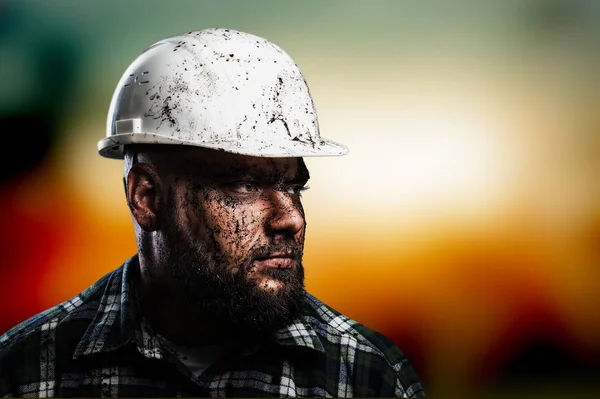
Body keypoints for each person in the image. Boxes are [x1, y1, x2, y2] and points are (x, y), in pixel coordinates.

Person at [0, 28, 424, 398]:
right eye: (244, 185)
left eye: (294, 186)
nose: (291, 218)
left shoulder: (368, 377)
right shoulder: (23, 374)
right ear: (147, 197)